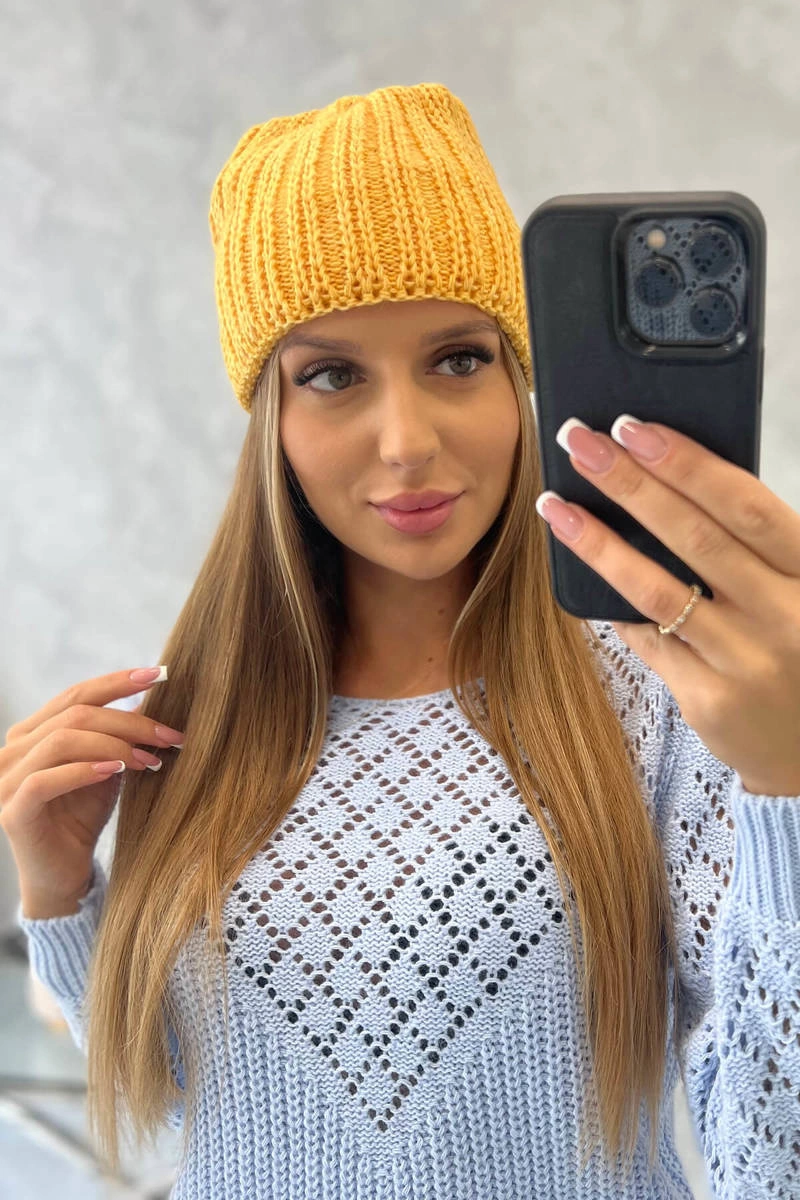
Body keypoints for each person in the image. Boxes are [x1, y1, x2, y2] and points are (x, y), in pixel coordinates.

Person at [2, 83, 798, 1200]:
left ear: (521, 376)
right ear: (271, 419)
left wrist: (785, 789)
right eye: (332, 376)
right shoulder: (201, 716)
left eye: (458, 359)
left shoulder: (667, 698)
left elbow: (770, 1159)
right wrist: (59, 892)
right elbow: (185, 1104)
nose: (406, 442)